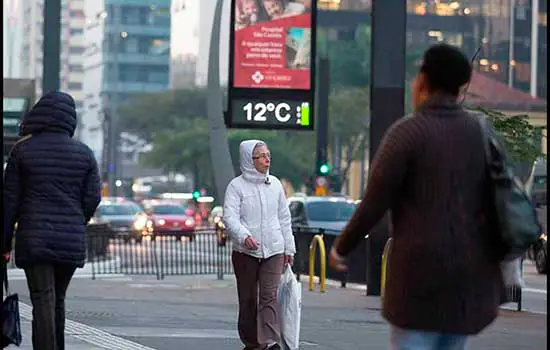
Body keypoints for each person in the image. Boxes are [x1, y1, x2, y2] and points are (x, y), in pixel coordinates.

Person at [328, 44, 504, 350]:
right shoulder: (479, 133)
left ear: (423, 81)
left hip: (417, 278)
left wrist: (342, 247)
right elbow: (498, 200)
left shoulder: (407, 133)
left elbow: (374, 204)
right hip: (465, 277)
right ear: (461, 85)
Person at [3, 91, 101, 350]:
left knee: (43, 298)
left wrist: (4, 244)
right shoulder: (84, 154)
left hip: (34, 238)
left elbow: (9, 202)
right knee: (57, 298)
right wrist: (77, 220)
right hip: (69, 239)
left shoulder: (22, 151)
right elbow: (93, 198)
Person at [223, 140, 296, 350]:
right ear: (249, 160)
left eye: (268, 154)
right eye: (261, 156)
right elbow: (230, 217)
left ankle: (270, 341)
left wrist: (288, 248)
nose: (267, 159)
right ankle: (252, 341)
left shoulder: (274, 184)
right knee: (248, 299)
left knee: (268, 296)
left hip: (274, 250)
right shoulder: (236, 187)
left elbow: (284, 217)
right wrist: (244, 236)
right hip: (246, 252)